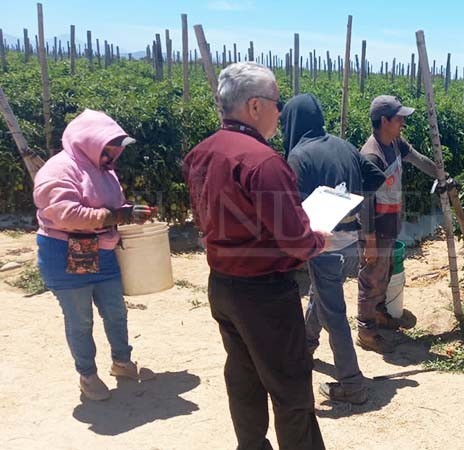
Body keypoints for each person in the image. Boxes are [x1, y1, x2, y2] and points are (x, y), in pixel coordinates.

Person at [183, 63, 327, 450]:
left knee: (243, 375)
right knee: (291, 387)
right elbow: (296, 240)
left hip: (222, 284)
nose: (280, 112)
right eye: (276, 103)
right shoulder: (264, 162)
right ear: (255, 106)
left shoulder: (201, 153)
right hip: (264, 292)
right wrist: (318, 240)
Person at [34, 108, 156, 401]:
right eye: (109, 149)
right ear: (90, 142)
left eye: (115, 150)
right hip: (65, 253)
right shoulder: (59, 169)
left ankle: (121, 362)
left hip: (101, 252)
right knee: (80, 319)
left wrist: (128, 212)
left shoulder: (104, 170)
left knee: (116, 311)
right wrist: (115, 215)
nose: (114, 156)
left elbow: (111, 208)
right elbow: (67, 214)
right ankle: (87, 375)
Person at [283, 93, 385, 405]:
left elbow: (292, 206)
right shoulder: (346, 146)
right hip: (350, 241)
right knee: (323, 295)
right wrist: (348, 198)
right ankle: (306, 346)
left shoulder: (299, 156)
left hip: (323, 244)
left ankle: (352, 383)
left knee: (335, 314)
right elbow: (377, 177)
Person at [357, 95, 442, 353]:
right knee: (371, 278)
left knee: (384, 274)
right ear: (384, 120)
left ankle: (380, 315)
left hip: (390, 222)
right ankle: (366, 331)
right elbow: (365, 204)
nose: (403, 121)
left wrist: (442, 176)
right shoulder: (371, 155)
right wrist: (370, 241)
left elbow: (417, 159)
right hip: (377, 227)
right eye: (399, 118)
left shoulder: (394, 142)